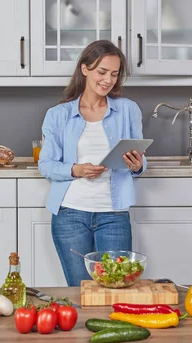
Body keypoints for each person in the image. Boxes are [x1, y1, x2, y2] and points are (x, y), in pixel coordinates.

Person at [38, 40, 147, 287]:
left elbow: (141, 162)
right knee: (81, 290)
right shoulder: (58, 115)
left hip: (114, 215)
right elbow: (45, 165)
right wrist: (75, 169)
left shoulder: (128, 110)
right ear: (85, 69)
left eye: (114, 74)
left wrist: (136, 165)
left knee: (117, 287)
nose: (108, 80)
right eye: (102, 72)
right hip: (70, 215)